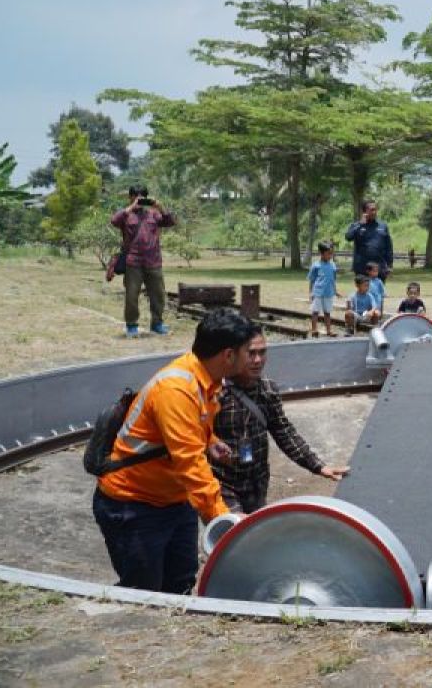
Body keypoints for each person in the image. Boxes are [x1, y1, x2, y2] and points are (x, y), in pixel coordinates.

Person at [92, 308, 255, 594]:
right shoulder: (177, 389)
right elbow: (190, 463)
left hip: (174, 502)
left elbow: (190, 428)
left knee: (179, 585)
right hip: (134, 507)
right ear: (228, 355)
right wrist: (222, 520)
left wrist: (210, 440)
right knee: (144, 593)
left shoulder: (207, 379)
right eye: (247, 351)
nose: (253, 359)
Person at [212, 330, 349, 513]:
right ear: (233, 355)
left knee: (254, 535)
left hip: (257, 483)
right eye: (251, 353)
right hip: (223, 484)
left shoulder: (268, 389)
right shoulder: (215, 393)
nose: (258, 360)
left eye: (262, 352)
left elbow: (283, 431)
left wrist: (318, 466)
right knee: (232, 533)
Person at [110, 185, 175, 338]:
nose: (140, 199)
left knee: (158, 294)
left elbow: (170, 221)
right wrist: (131, 208)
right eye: (136, 196)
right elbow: (114, 220)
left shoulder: (153, 215)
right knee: (132, 295)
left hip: (153, 261)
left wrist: (161, 207)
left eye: (143, 196)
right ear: (130, 197)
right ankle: (131, 326)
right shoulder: (126, 215)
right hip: (133, 262)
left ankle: (157, 324)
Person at [344, 199, 394, 278]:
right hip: (362, 269)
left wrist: (390, 265)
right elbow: (348, 237)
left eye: (375, 209)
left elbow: (389, 246)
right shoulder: (357, 225)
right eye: (371, 210)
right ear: (365, 211)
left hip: (379, 268)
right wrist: (360, 224)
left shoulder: (383, 226)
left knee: (378, 290)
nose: (374, 212)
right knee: (364, 291)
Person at [307, 241, 341, 337]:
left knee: (327, 313)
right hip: (317, 292)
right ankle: (314, 330)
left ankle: (329, 330)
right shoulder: (316, 265)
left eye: (331, 253)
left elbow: (333, 280)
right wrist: (310, 293)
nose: (330, 256)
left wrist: (335, 291)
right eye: (328, 253)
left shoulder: (333, 265)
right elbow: (312, 280)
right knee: (315, 312)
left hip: (328, 293)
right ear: (321, 253)